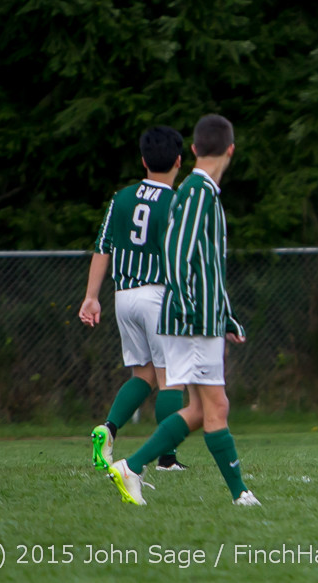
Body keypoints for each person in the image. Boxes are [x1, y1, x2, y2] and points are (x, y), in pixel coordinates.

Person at [105, 113, 260, 507]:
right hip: (192, 322)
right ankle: (241, 494)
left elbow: (209, 267)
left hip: (203, 319)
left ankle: (132, 466)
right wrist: (191, 309)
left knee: (201, 410)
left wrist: (224, 316)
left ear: (193, 149)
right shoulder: (197, 192)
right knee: (216, 407)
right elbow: (176, 253)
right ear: (231, 150)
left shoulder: (201, 191)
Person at [79, 125, 188, 473]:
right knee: (171, 378)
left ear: (143, 160)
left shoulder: (122, 198)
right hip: (158, 296)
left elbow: (103, 246)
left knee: (144, 374)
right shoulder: (176, 203)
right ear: (179, 161)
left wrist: (91, 297)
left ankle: (108, 430)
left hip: (123, 297)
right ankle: (167, 459)